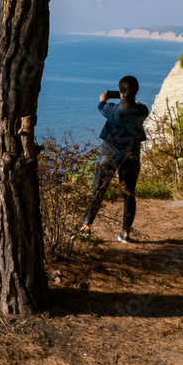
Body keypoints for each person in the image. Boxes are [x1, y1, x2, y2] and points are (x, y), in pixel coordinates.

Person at [79, 75, 149, 243]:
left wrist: (104, 99)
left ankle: (86, 227)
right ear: (136, 91)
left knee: (98, 190)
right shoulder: (142, 110)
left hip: (109, 156)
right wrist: (130, 98)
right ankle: (125, 234)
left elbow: (101, 105)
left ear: (119, 92)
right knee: (128, 194)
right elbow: (138, 106)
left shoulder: (111, 109)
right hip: (131, 158)